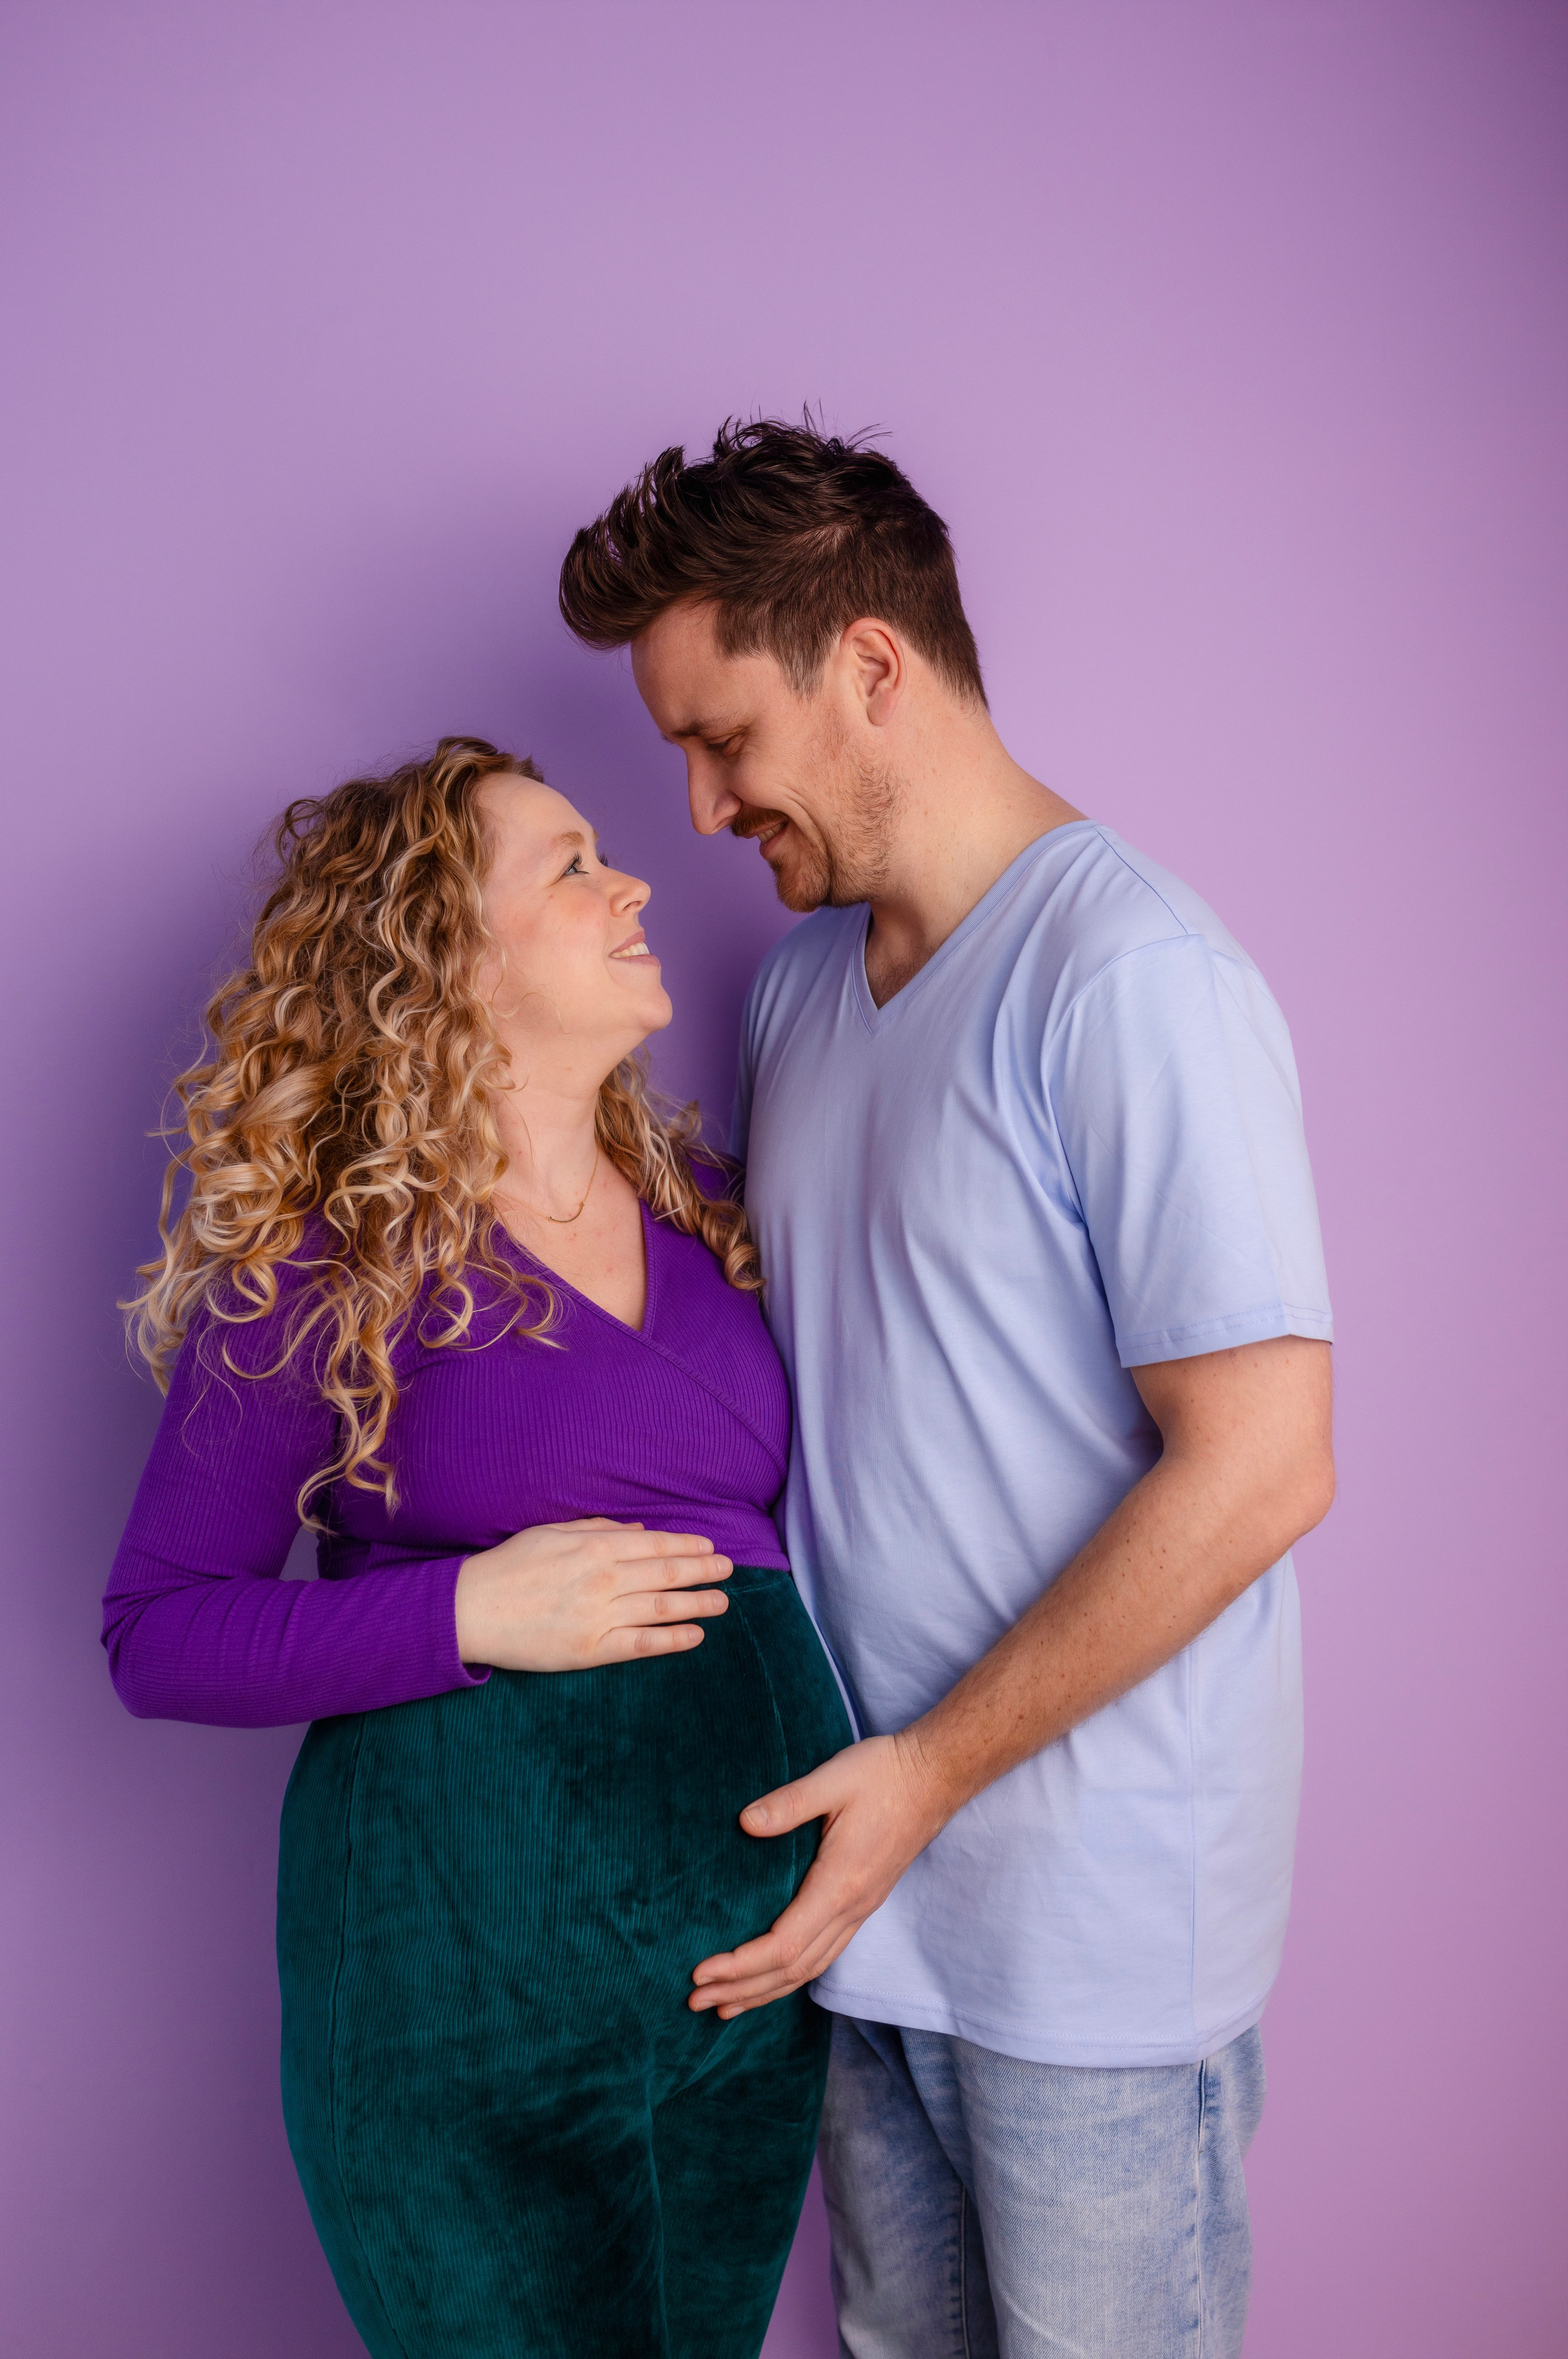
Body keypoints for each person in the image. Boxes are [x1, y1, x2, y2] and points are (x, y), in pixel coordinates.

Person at [559, 421, 1336, 2359]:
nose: (699, 802)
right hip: (861, 1905)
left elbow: (1263, 1469)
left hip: (1090, 1940)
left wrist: (932, 1775)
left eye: (721, 735)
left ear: (873, 669)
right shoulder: (799, 1000)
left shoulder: (1132, 978)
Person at [101, 736, 853, 2359]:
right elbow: (157, 1630)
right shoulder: (324, 1261)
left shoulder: (717, 1215)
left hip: (738, 2002)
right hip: (455, 2014)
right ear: (447, 951)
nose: (635, 878)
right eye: (573, 863)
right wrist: (471, 1608)